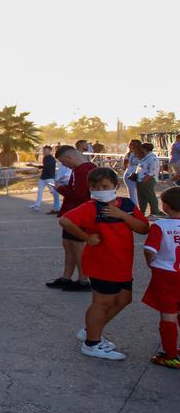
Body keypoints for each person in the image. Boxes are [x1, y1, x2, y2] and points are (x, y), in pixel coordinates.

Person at [59, 167, 148, 361]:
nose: (100, 189)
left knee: (124, 299)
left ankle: (91, 330)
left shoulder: (126, 204)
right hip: (102, 264)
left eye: (105, 186)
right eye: (95, 186)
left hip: (122, 264)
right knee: (102, 302)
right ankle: (92, 343)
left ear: (115, 186)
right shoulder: (91, 207)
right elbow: (65, 221)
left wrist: (122, 215)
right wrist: (86, 238)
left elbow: (143, 228)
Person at [47, 145, 96, 291]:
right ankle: (66, 277)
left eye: (63, 162)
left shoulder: (82, 171)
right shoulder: (84, 169)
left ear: (69, 158)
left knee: (77, 246)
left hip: (78, 214)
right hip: (73, 213)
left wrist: (60, 188)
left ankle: (83, 280)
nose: (64, 165)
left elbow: (79, 195)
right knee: (68, 244)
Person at [142, 187, 180, 368]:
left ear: (165, 205)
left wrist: (151, 262)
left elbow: (150, 250)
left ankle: (171, 354)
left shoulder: (160, 225)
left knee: (168, 315)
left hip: (166, 274)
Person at [31, 145, 60, 213]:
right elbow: (44, 167)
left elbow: (46, 166)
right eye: (43, 150)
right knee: (40, 192)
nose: (43, 151)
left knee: (54, 192)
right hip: (43, 178)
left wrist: (34, 165)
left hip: (49, 178)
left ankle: (59, 205)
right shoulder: (45, 158)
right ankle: (36, 205)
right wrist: (35, 166)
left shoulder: (52, 159)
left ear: (50, 151)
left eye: (45, 150)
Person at [137, 143, 161, 218]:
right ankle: (142, 213)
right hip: (141, 180)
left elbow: (152, 171)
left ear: (144, 149)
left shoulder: (152, 158)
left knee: (150, 196)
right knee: (142, 197)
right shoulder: (146, 157)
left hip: (147, 180)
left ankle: (155, 212)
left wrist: (144, 179)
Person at [122, 139, 144, 209]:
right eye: (130, 144)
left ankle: (138, 208)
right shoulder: (129, 154)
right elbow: (125, 165)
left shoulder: (143, 154)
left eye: (133, 144)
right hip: (130, 174)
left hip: (140, 173)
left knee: (141, 193)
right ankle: (134, 208)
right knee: (132, 193)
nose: (131, 146)